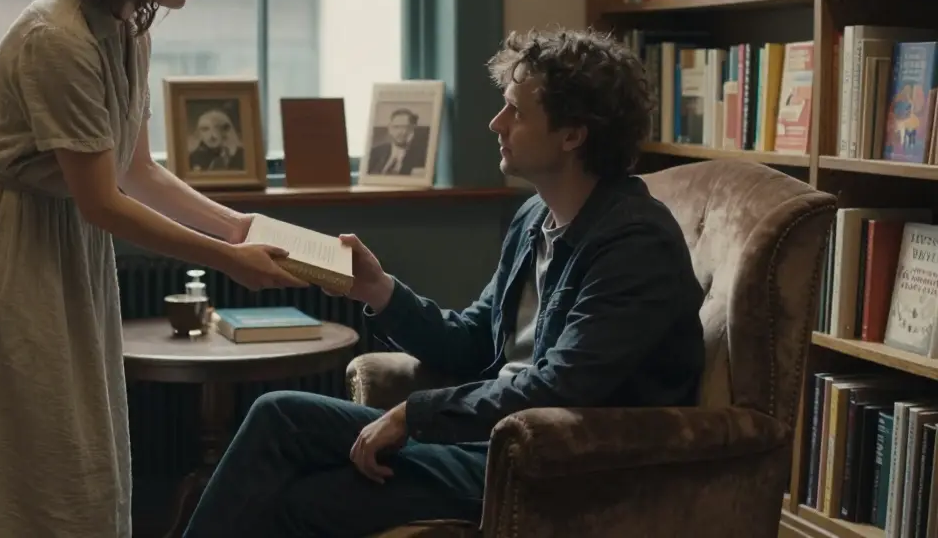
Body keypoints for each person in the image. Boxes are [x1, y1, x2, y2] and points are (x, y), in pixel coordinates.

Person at [0, 0, 307, 538]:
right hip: (13, 240)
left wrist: (237, 226)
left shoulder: (128, 26)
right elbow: (103, 202)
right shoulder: (57, 39)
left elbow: (138, 171)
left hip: (64, 235)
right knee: (28, 442)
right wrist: (225, 259)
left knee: (75, 440)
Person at [182, 28, 707, 537]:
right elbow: (472, 340)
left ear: (572, 134)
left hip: (559, 462)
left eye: (517, 111)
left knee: (306, 501)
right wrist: (376, 289)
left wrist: (415, 413)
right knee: (279, 415)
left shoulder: (636, 244)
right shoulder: (533, 218)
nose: (495, 123)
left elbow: (561, 386)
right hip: (491, 439)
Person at [365, 107, 427, 175]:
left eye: (406, 127)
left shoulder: (423, 156)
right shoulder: (375, 152)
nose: (401, 132)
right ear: (389, 129)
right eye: (396, 127)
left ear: (413, 129)